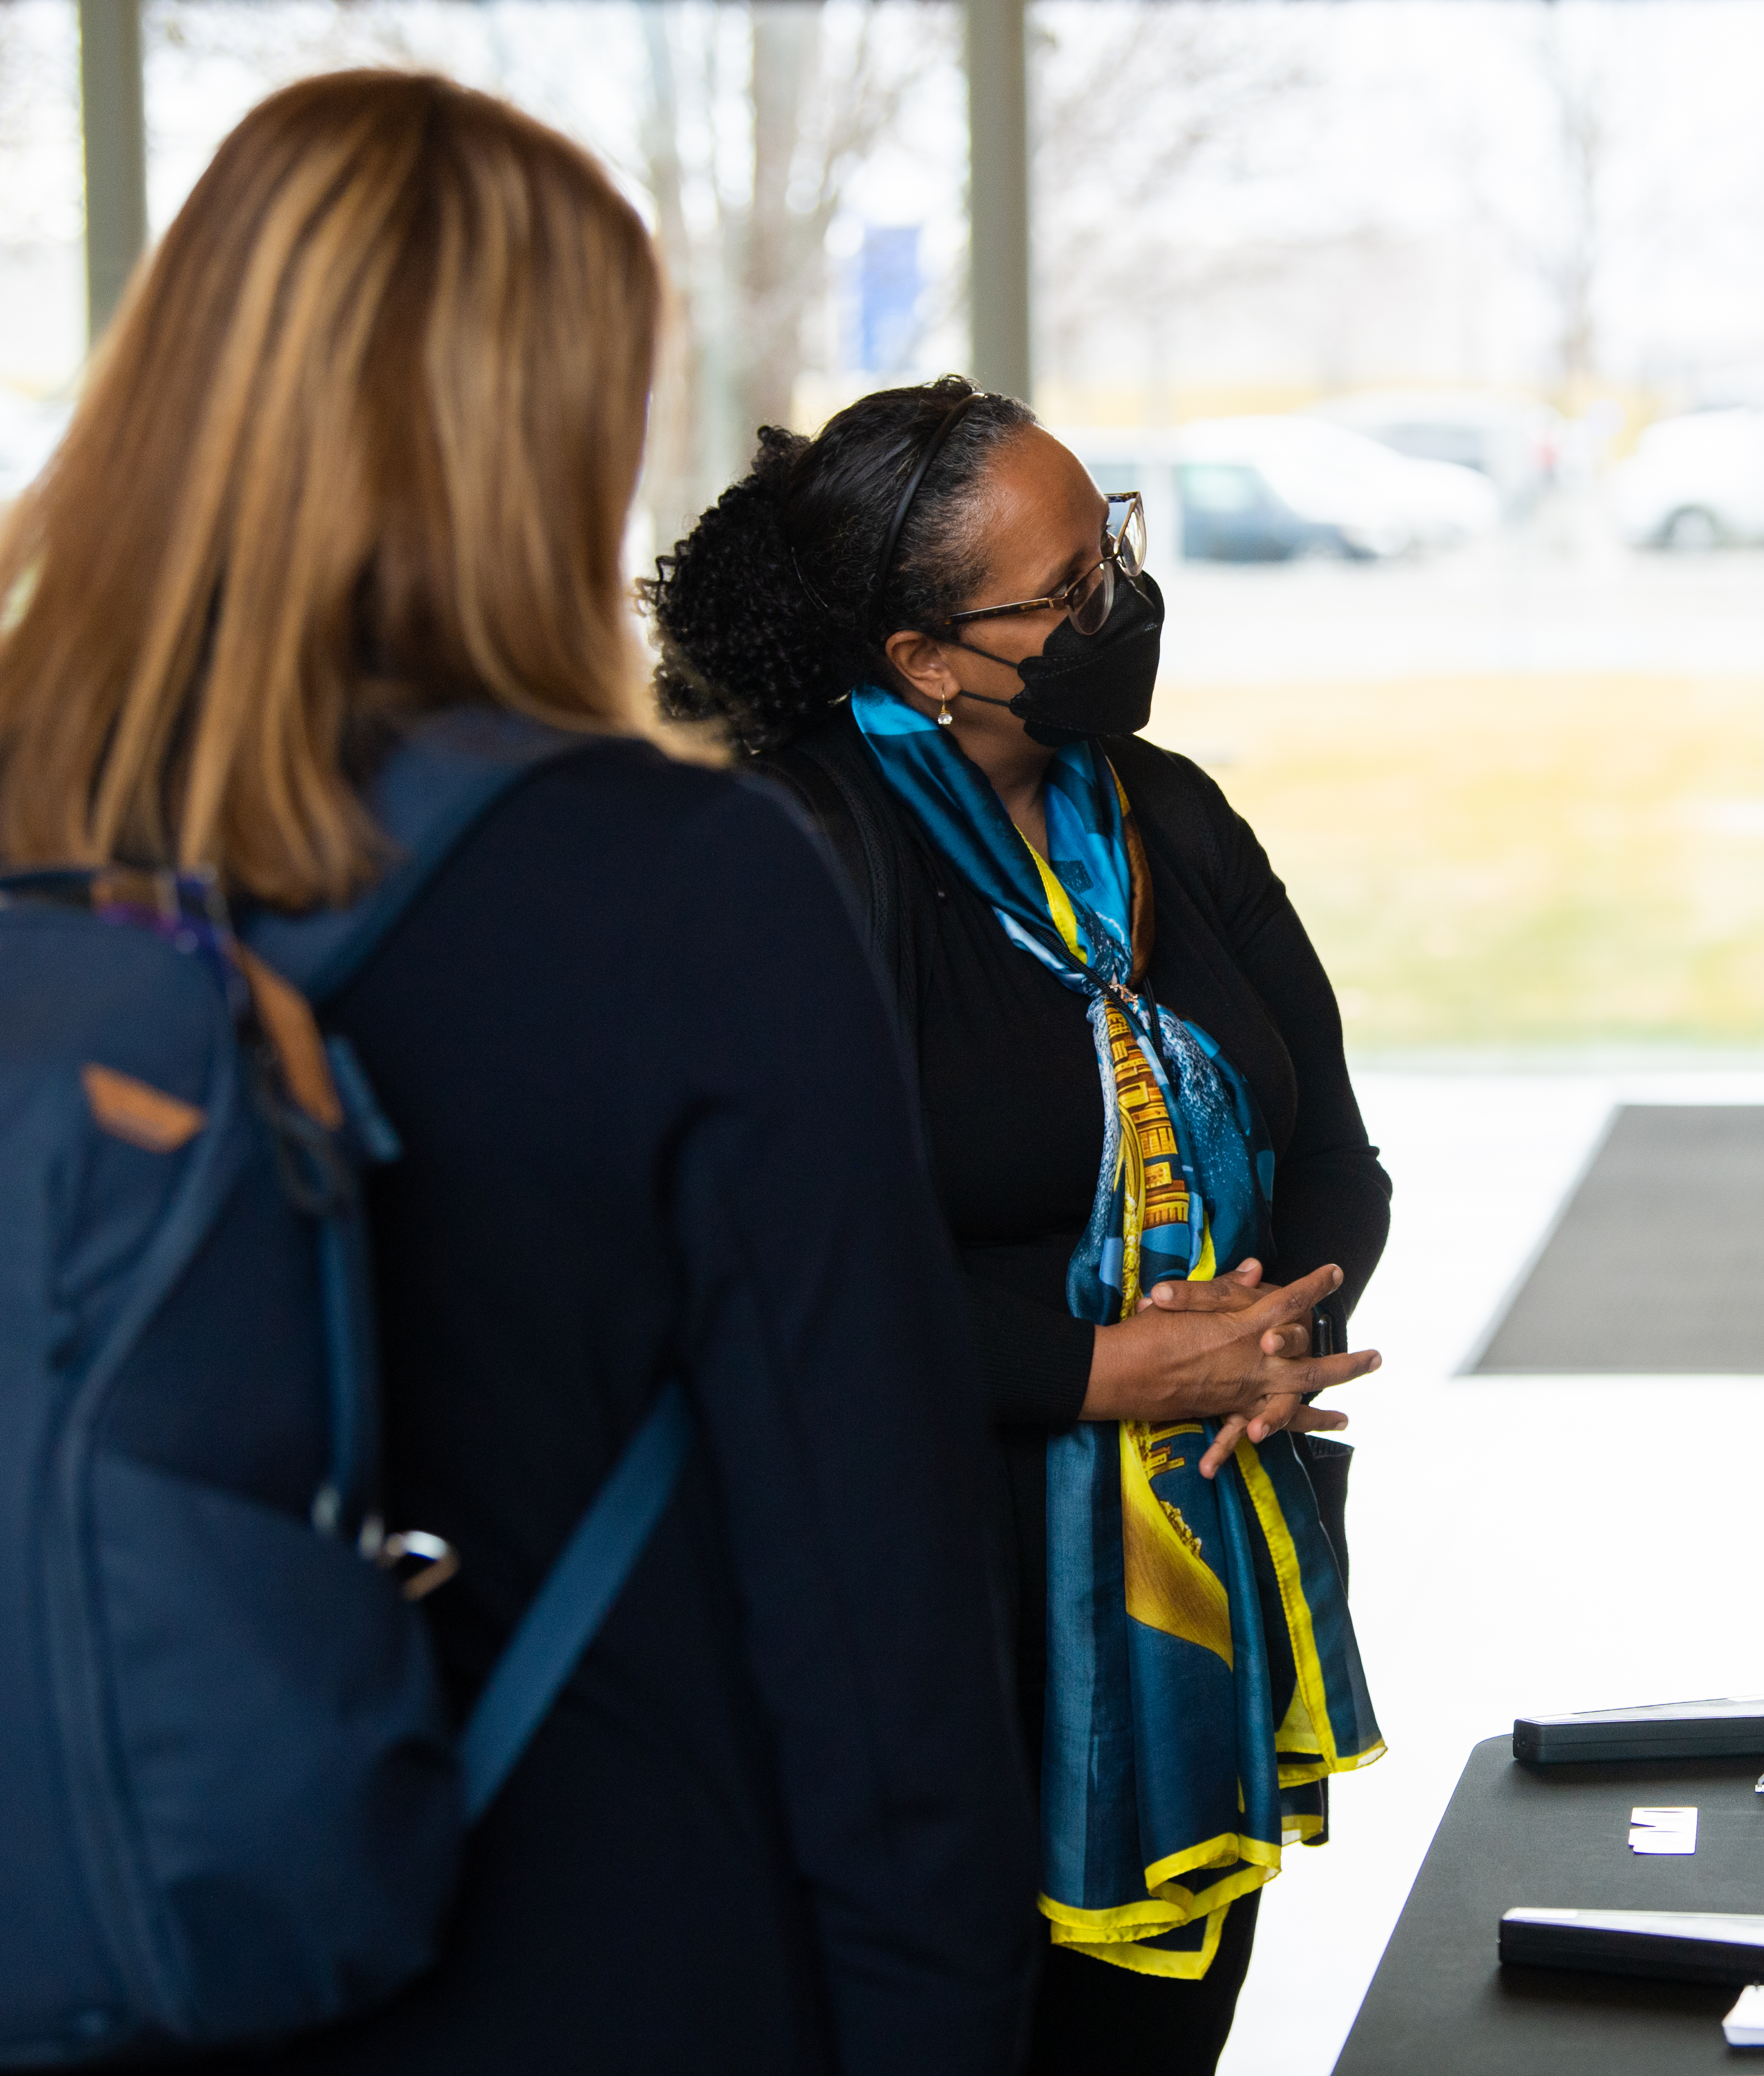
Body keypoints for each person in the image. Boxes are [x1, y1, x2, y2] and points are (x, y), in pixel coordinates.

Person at [0, 74, 1035, 2072]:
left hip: (88, 1935)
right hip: (587, 1947)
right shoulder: (682, 885)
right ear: (549, 436)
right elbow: (870, 1599)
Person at [644, 378, 1391, 2073]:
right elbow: (761, 1272)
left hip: (1198, 1580)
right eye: (1067, 591)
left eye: (1110, 548)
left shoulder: (1167, 812)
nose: (1115, 606)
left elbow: (1335, 1148)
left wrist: (1275, 1344)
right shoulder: (794, 851)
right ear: (925, 658)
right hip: (934, 1618)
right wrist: (1094, 1371)